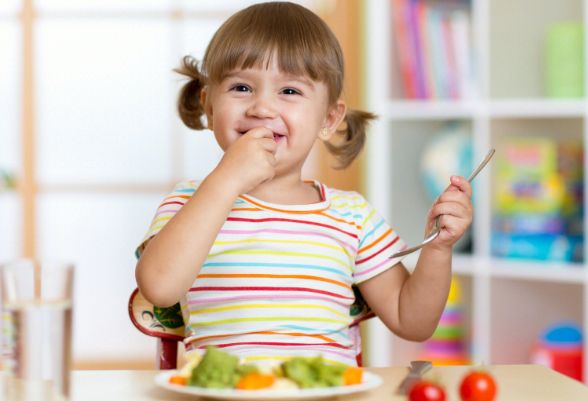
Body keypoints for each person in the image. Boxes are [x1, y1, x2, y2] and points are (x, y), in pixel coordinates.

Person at [135, 1, 472, 367]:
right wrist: (227, 179)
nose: (262, 108)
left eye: (290, 92)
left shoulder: (351, 215)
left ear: (329, 118)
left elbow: (413, 321)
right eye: (242, 87)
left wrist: (438, 250)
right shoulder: (191, 202)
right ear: (210, 105)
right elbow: (159, 287)